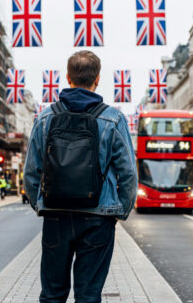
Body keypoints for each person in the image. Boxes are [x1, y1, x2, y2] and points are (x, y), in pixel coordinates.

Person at [24, 50, 137, 303]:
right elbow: (128, 173)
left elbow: (31, 172)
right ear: (97, 79)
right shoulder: (113, 118)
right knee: (88, 295)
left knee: (52, 294)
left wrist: (40, 204)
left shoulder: (45, 118)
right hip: (98, 218)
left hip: (56, 215)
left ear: (68, 77)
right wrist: (119, 210)